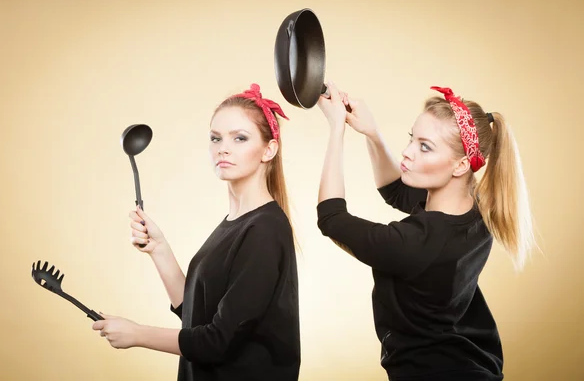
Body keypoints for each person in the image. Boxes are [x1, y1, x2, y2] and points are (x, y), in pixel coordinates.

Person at [315, 82, 535, 381]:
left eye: (424, 146)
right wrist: (372, 133)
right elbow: (397, 192)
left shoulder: (416, 243)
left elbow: (331, 218)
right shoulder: (477, 210)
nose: (407, 152)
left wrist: (336, 130)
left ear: (460, 165)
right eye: (412, 139)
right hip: (471, 364)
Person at [92, 83, 301, 381]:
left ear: (269, 149)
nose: (223, 148)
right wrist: (159, 249)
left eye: (239, 138)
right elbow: (196, 315)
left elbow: (217, 341)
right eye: (216, 138)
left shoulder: (264, 230)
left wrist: (137, 334)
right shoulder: (234, 223)